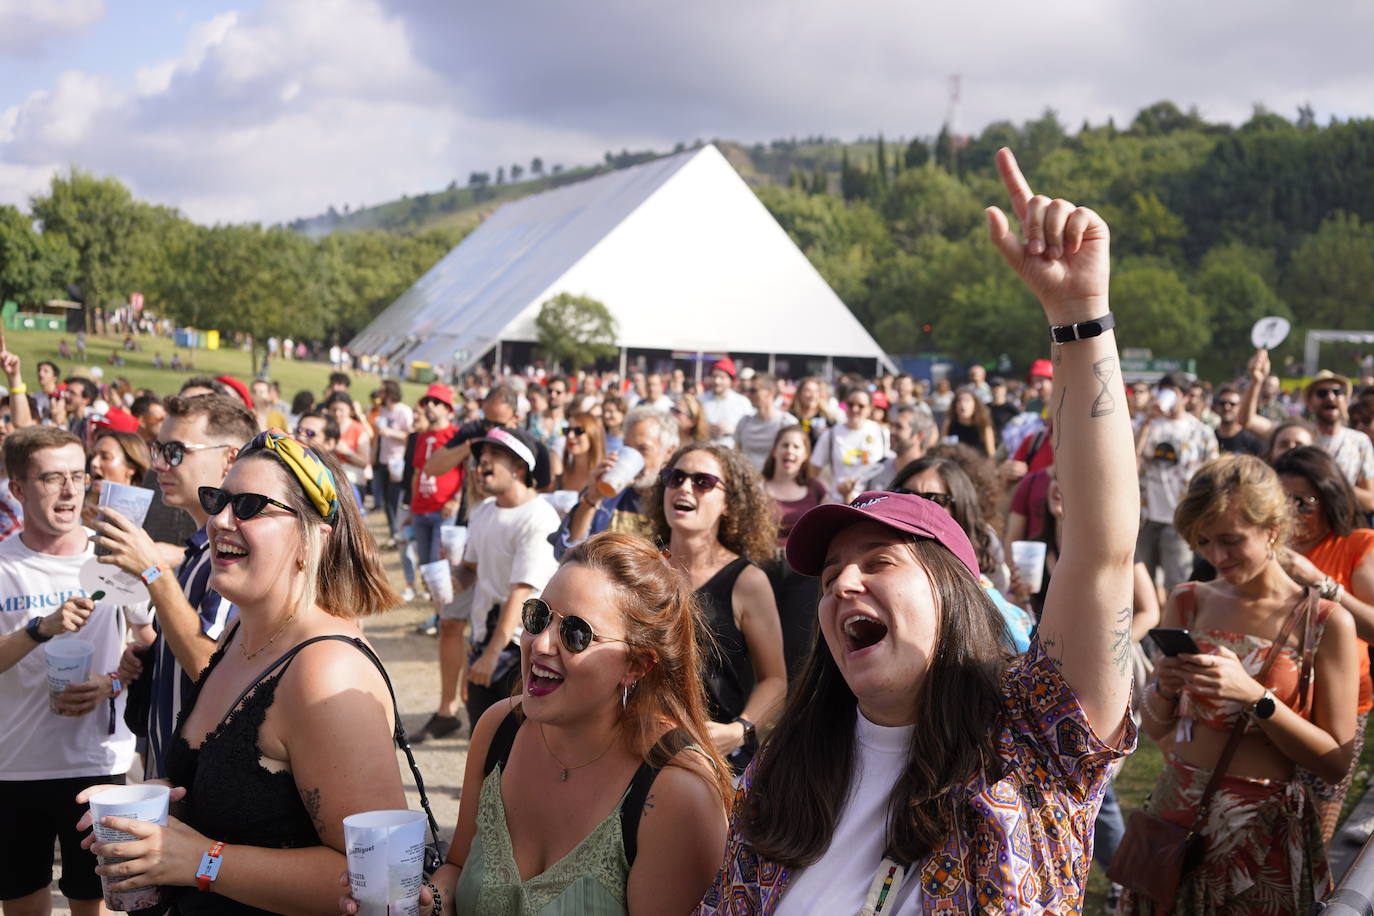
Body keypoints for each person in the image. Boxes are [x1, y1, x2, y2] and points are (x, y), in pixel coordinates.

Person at [696, 147, 1138, 913]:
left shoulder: (1030, 744)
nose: (844, 585)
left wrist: (1079, 322)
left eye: (878, 561)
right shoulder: (782, 777)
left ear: (953, 590)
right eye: (831, 576)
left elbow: (1100, 555)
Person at [83, 431, 407, 914]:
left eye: (251, 505)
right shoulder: (241, 632)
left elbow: (381, 881)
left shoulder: (325, 670)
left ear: (312, 537)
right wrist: (162, 804)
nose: (218, 520)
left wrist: (202, 861)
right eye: (219, 501)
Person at [391, 534, 733, 915]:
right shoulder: (500, 727)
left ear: (636, 665)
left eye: (575, 633)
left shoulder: (675, 790)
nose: (539, 644)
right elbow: (456, 868)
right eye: (538, 616)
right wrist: (426, 901)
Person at [1124, 455, 1357, 914]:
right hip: (1175, 817)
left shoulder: (1326, 622)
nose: (1217, 556)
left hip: (1261, 827)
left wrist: (1257, 697)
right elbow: (1154, 730)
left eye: (1231, 540)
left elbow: (1336, 763)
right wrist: (1165, 691)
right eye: (1203, 541)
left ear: (1272, 528)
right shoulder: (1188, 600)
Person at [0, 427, 135, 916]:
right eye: (52, 478)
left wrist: (112, 683)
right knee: (21, 906)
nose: (69, 491)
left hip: (97, 765)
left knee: (94, 905)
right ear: (17, 488)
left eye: (77, 476)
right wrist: (40, 629)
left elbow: (150, 647)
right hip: (13, 766)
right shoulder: (2, 563)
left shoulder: (113, 559)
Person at [100, 395, 257, 778]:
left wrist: (153, 571)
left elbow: (210, 668)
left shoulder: (234, 554)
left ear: (229, 458)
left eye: (174, 451)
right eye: (158, 448)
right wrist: (153, 655)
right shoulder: (198, 550)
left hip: (202, 789)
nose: (157, 464)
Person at [648, 443, 786, 773]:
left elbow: (775, 680)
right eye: (675, 477)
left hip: (712, 757)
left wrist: (739, 730)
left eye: (702, 482)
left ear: (728, 504)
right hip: (639, 745)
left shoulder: (747, 581)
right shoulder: (642, 568)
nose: (684, 487)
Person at [1273, 445, 1374, 843]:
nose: (1292, 513)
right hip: (1275, 707)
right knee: (1273, 835)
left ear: (1330, 497)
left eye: (1303, 502)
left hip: (1336, 711)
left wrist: (1322, 583)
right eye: (1282, 501)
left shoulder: (1357, 544)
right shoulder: (1265, 549)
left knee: (1314, 839)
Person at [440, 427, 559, 735]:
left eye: (493, 456)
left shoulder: (539, 517)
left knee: (520, 742)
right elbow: (471, 569)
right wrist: (449, 583)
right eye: (480, 457)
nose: (481, 463)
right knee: (482, 736)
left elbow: (522, 591)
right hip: (485, 641)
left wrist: (492, 655)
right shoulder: (481, 511)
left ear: (519, 468)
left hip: (522, 649)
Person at [1245, 351, 1374, 512]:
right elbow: (1247, 420)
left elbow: (1370, 502)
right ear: (1310, 402)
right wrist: (1256, 380)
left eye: (1337, 392)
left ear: (1346, 400)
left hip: (1341, 526)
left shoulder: (1359, 441)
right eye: (1322, 393)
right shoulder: (1297, 435)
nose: (1330, 397)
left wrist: (1330, 481)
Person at [553, 406, 679, 558]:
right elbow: (564, 553)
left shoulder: (677, 501)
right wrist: (592, 499)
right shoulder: (607, 492)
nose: (633, 456)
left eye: (643, 449)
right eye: (627, 447)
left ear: (669, 452)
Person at [1136, 373, 1220, 593]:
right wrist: (1146, 421)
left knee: (1177, 584)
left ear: (1185, 397)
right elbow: (1130, 460)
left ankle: (1173, 626)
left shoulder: (1201, 432)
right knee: (1142, 585)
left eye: (1172, 393)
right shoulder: (1149, 425)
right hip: (1145, 517)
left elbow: (1212, 476)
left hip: (1180, 518)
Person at [761, 427, 828, 679]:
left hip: (802, 571)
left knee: (797, 634)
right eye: (785, 445)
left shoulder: (816, 489)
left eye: (796, 446)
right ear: (775, 450)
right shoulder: (758, 487)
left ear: (805, 455)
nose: (790, 451)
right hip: (763, 568)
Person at [810, 387, 886, 502]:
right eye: (850, 404)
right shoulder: (831, 434)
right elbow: (813, 471)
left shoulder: (881, 432)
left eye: (861, 406)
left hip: (872, 504)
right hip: (839, 503)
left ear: (870, 408)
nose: (855, 409)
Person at [370, 380, 413, 548]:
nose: (380, 394)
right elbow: (379, 436)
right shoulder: (383, 410)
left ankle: (399, 533)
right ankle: (393, 532)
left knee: (396, 498)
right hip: (383, 458)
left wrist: (390, 432)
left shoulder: (403, 411)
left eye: (382, 391)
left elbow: (409, 435)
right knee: (387, 499)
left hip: (398, 460)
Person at [735, 374, 797, 471]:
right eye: (748, 390)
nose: (748, 394)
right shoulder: (744, 422)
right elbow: (737, 453)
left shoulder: (787, 423)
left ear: (769, 392)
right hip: (748, 482)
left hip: (776, 482)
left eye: (753, 390)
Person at [698, 359, 753, 449]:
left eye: (722, 377)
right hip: (705, 452)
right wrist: (705, 430)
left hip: (732, 453)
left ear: (731, 380)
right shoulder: (700, 400)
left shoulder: (742, 402)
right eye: (714, 376)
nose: (717, 381)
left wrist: (733, 430)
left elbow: (751, 430)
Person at [555, 412, 606, 495]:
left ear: (593, 435)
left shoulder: (604, 478)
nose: (570, 436)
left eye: (578, 431)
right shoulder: (558, 479)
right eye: (567, 430)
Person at [942, 387, 995, 457]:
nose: (963, 404)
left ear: (975, 405)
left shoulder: (983, 425)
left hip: (979, 465)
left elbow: (991, 453)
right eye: (959, 401)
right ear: (954, 406)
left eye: (967, 400)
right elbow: (942, 448)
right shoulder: (949, 423)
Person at [1213, 386, 1263, 455]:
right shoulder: (1210, 438)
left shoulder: (1251, 441)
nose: (1227, 407)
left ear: (1240, 407)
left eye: (1232, 404)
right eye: (1222, 403)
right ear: (1216, 406)